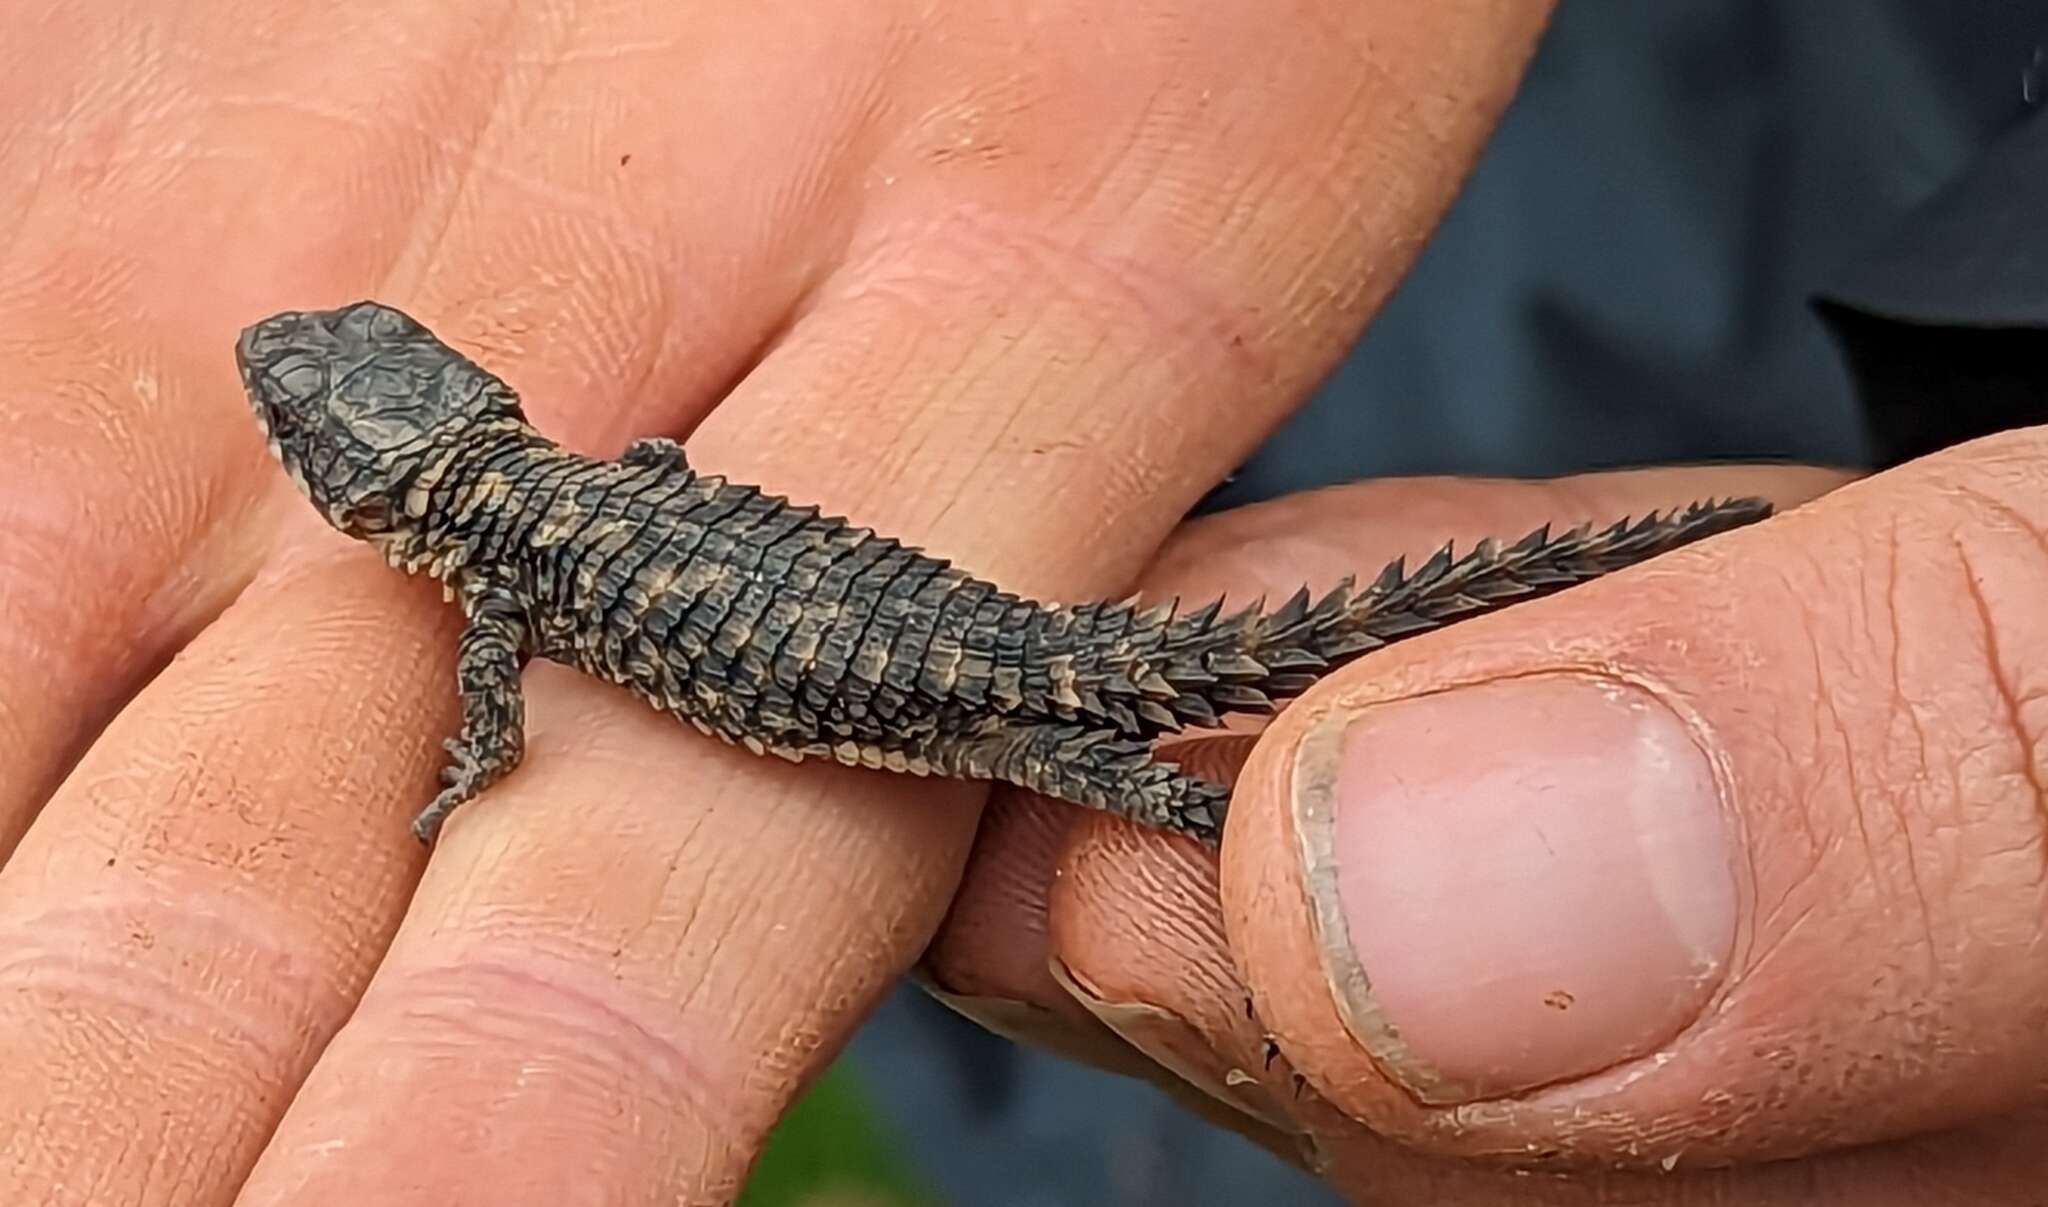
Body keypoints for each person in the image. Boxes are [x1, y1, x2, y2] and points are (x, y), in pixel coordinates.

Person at [0, 3, 2042, 1203]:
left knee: (1198, 830)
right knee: (1154, 841)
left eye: (322, 401)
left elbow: (502, 722)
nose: (307, 386)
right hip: (994, 630)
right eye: (312, 404)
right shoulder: (551, 507)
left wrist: (459, 773)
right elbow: (638, 521)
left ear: (388, 482)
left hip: (997, 695)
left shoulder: (503, 578)